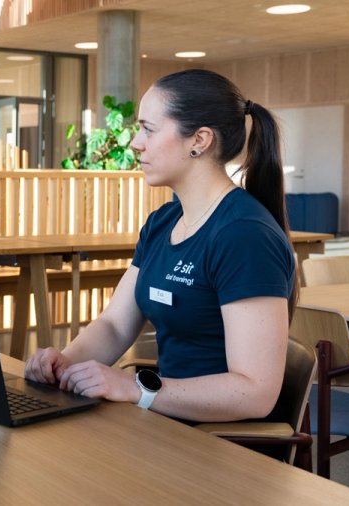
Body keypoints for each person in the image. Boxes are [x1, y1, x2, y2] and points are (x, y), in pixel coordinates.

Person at [25, 69, 296, 423]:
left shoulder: (244, 235)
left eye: (148, 130)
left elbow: (255, 392)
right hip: (162, 420)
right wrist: (65, 362)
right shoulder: (164, 221)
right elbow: (115, 325)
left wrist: (138, 389)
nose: (136, 142)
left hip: (221, 445)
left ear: (199, 140)